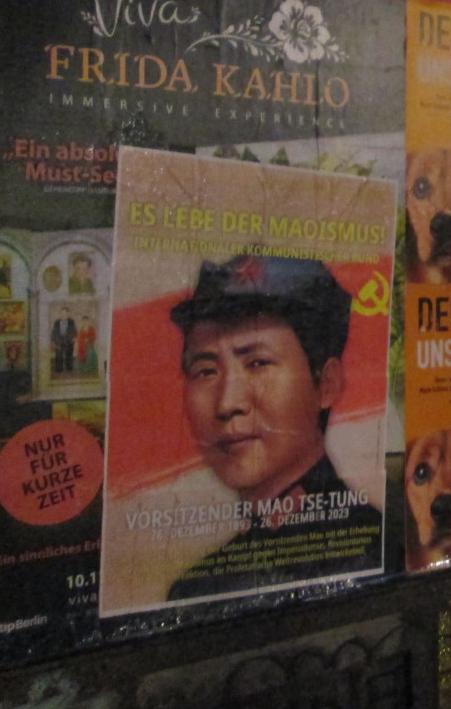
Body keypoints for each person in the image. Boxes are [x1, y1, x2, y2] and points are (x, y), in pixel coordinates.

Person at [164, 254, 383, 602]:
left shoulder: (376, 552)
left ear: (325, 385)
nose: (227, 403)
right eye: (206, 371)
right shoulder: (197, 588)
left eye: (258, 363)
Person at [50, 307, 76, 374]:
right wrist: (53, 341)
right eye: (62, 313)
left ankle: (69, 368)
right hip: (59, 340)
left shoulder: (71, 321)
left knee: (69, 354)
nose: (63, 315)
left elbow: (74, 330)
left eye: (65, 313)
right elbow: (54, 331)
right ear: (60, 314)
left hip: (68, 339)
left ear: (68, 314)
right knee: (59, 355)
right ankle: (59, 369)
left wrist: (74, 337)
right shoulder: (57, 322)